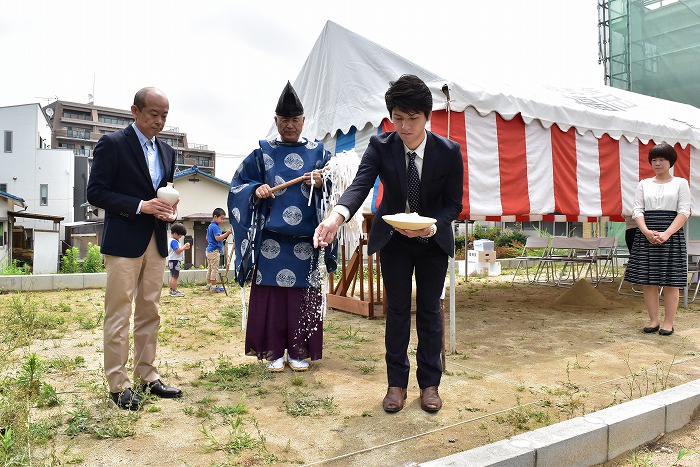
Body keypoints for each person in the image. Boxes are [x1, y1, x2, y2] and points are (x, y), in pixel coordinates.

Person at [314, 74, 464, 412]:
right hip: (394, 239)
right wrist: (336, 217)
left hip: (432, 241)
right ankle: (395, 384)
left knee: (428, 311)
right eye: (398, 118)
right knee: (396, 311)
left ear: (427, 117)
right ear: (390, 116)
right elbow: (360, 184)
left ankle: (430, 385)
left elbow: (453, 203)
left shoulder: (448, 152)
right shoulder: (381, 146)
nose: (405, 126)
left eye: (413, 119)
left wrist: (430, 228)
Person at [86, 87, 183, 410]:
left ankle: (148, 375)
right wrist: (141, 205)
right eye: (153, 114)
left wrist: (169, 209)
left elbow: (163, 192)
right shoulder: (112, 144)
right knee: (119, 312)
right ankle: (118, 384)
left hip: (156, 240)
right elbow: (96, 193)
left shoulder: (168, 152)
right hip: (124, 241)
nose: (159, 121)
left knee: (150, 312)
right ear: (135, 111)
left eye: (164, 116)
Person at [228, 81, 335, 373]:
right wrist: (255, 190)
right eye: (284, 120)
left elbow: (339, 188)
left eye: (295, 120)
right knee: (273, 298)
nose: (290, 125)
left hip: (307, 241)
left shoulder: (320, 154)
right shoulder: (262, 153)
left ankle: (300, 350)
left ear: (304, 121)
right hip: (270, 242)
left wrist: (323, 182)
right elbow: (237, 186)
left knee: (303, 297)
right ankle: (274, 351)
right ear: (275, 121)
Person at [624, 142, 690, 336]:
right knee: (648, 281)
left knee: (672, 281)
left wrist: (667, 233)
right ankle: (653, 320)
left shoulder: (681, 183)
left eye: (662, 159)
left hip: (672, 232)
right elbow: (637, 210)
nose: (658, 163)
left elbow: (684, 211)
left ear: (670, 161)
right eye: (654, 160)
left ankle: (668, 323)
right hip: (646, 233)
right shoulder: (643, 184)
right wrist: (645, 231)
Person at [205, 208, 231, 292]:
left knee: (210, 268)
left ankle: (208, 285)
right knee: (214, 269)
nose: (222, 220)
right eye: (222, 218)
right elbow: (217, 238)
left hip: (208, 250)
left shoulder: (210, 226)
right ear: (215, 216)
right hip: (214, 251)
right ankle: (214, 286)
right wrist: (226, 234)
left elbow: (207, 238)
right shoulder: (215, 227)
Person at [168, 222, 190, 297]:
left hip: (171, 260)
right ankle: (174, 291)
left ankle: (172, 290)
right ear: (175, 234)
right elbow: (177, 251)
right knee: (175, 276)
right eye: (180, 235)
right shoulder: (174, 241)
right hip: (175, 261)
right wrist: (184, 247)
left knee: (172, 276)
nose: (180, 237)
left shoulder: (171, 240)